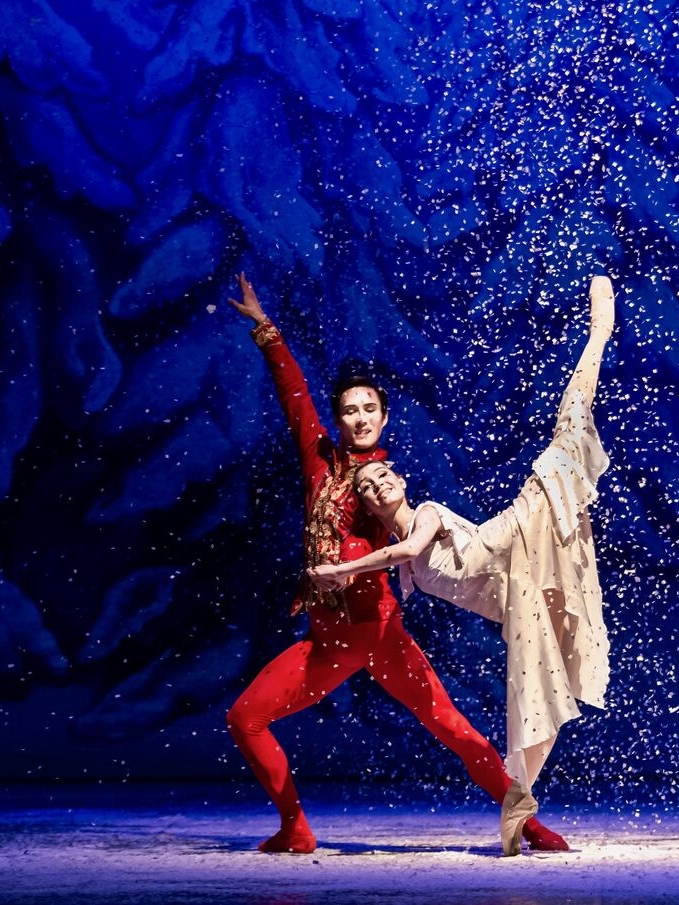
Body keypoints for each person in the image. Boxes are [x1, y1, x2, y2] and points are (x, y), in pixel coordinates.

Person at [222, 273, 571, 855]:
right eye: (350, 411)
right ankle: (296, 828)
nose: (360, 418)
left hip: (376, 632)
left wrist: (362, 553)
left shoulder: (383, 482)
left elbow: (407, 538)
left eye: (370, 410)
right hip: (328, 639)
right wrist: (266, 330)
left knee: (453, 729)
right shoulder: (320, 464)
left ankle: (528, 824)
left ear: (384, 419)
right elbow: (295, 398)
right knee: (245, 718)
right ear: (338, 420)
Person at [309, 275, 614, 855]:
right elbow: (390, 553)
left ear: (400, 479)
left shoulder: (423, 516)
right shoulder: (395, 557)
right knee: (540, 695)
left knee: (565, 440)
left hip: (516, 534)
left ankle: (598, 335)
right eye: (368, 486)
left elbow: (405, 551)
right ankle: (520, 801)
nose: (377, 484)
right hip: (515, 591)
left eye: (383, 476)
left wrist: (344, 570)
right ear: (367, 502)